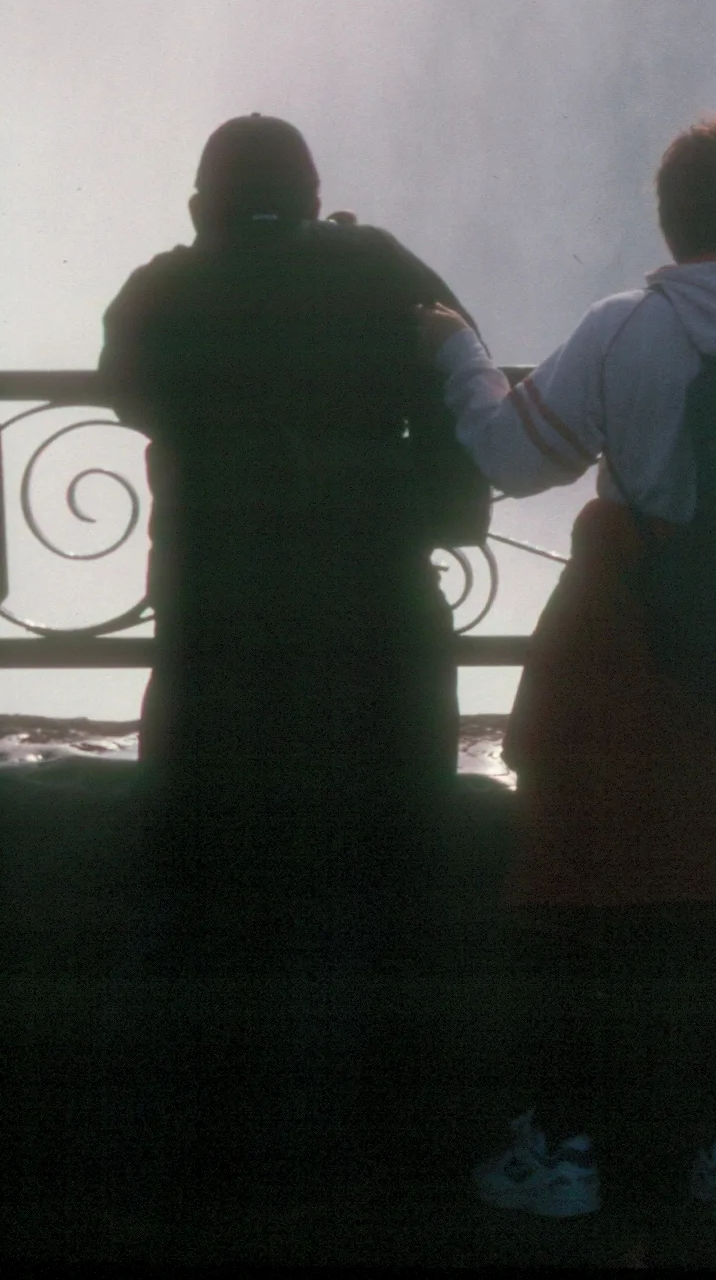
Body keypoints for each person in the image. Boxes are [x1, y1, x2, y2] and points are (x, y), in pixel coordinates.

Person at [425, 116, 716, 1227]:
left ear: (672, 219)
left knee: (588, 889)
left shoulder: (620, 328)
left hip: (620, 645)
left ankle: (568, 1145)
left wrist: (455, 352)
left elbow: (511, 457)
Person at [96, 114, 489, 1215]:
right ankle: (394, 1158)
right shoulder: (378, 268)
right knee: (389, 879)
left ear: (199, 207)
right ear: (316, 199)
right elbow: (455, 373)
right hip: (376, 634)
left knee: (203, 888)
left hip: (217, 640)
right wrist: (433, 499)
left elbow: (125, 386)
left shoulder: (162, 291)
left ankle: (187, 1162)